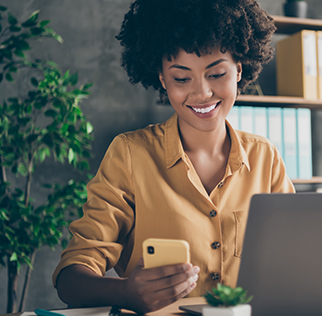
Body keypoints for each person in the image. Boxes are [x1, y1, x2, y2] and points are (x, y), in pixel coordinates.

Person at [52, 0, 295, 313]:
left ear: (239, 70)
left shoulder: (266, 158)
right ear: (163, 79)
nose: (201, 93)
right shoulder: (130, 155)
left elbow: (293, 262)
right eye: (182, 78)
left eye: (217, 73)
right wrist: (125, 292)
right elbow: (71, 280)